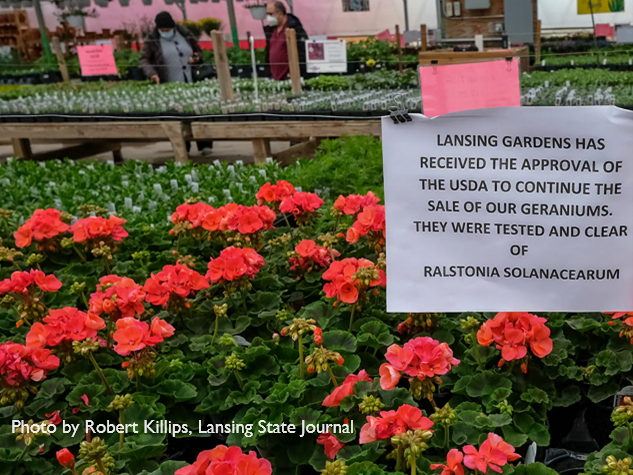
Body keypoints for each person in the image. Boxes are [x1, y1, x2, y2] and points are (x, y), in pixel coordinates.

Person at [140, 11, 213, 154]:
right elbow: (144, 60)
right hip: (170, 83)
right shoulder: (152, 40)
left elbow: (198, 51)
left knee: (198, 111)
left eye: (168, 29)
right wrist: (152, 73)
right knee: (178, 116)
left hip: (192, 81)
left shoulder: (184, 33)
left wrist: (196, 57)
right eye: (163, 30)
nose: (166, 32)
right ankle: (183, 147)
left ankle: (205, 144)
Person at [264, 1, 308, 81]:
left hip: (289, 77)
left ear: (280, 13)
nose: (268, 18)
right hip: (274, 77)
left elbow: (302, 51)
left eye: (270, 14)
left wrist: (295, 72)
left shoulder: (294, 29)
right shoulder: (271, 30)